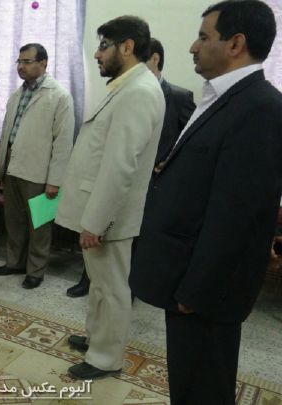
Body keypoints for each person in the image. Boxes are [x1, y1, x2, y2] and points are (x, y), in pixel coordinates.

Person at [129, 1, 282, 403]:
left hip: (206, 291)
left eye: (203, 37)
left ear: (235, 44)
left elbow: (239, 214)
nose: (193, 47)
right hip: (188, 275)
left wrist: (198, 291)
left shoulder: (261, 108)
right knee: (189, 383)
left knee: (204, 388)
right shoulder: (222, 98)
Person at [54, 16, 164, 379]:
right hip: (99, 210)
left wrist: (96, 222)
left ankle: (106, 358)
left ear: (127, 47)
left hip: (109, 216)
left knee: (113, 288)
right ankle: (96, 339)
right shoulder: (127, 86)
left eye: (103, 46)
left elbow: (120, 167)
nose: (97, 54)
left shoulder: (139, 92)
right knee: (101, 285)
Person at [0, 43, 74, 289]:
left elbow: (63, 144)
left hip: (39, 174)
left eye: (27, 61)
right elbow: (7, 135)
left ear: (43, 63)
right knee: (14, 222)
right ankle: (14, 262)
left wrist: (54, 181)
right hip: (12, 168)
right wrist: (0, 168)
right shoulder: (17, 94)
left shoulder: (59, 96)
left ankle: (35, 271)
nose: (21, 66)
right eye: (19, 61)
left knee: (40, 225)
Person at [146, 37, 196, 163]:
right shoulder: (126, 97)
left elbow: (197, 141)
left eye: (138, 62)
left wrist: (172, 162)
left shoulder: (180, 99)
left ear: (155, 59)